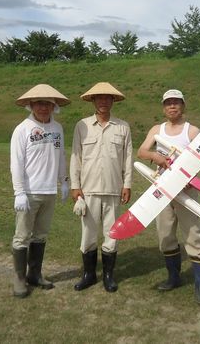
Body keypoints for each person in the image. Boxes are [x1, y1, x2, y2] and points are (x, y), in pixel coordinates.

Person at [137, 89, 200, 307]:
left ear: (183, 106)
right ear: (163, 107)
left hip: (186, 190)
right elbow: (141, 151)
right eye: (168, 103)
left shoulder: (192, 131)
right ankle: (173, 277)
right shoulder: (157, 130)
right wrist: (154, 156)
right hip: (162, 190)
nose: (172, 106)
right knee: (165, 235)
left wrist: (191, 176)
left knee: (193, 236)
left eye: (176, 103)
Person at [70, 82, 133, 293]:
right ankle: (88, 274)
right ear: (93, 101)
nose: (103, 101)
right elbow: (76, 157)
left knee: (112, 233)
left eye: (108, 98)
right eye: (99, 98)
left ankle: (108, 275)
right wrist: (75, 186)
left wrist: (127, 184)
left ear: (113, 101)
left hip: (114, 189)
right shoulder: (82, 126)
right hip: (88, 191)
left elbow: (128, 158)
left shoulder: (123, 126)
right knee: (88, 234)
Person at [10, 84, 71, 298]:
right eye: (39, 103)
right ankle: (19, 279)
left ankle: (34, 274)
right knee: (22, 236)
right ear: (31, 105)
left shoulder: (57, 129)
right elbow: (16, 163)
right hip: (29, 193)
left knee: (41, 236)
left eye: (47, 104)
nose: (43, 107)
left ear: (54, 106)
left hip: (49, 191)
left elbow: (61, 155)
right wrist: (19, 192)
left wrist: (64, 181)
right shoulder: (22, 129)